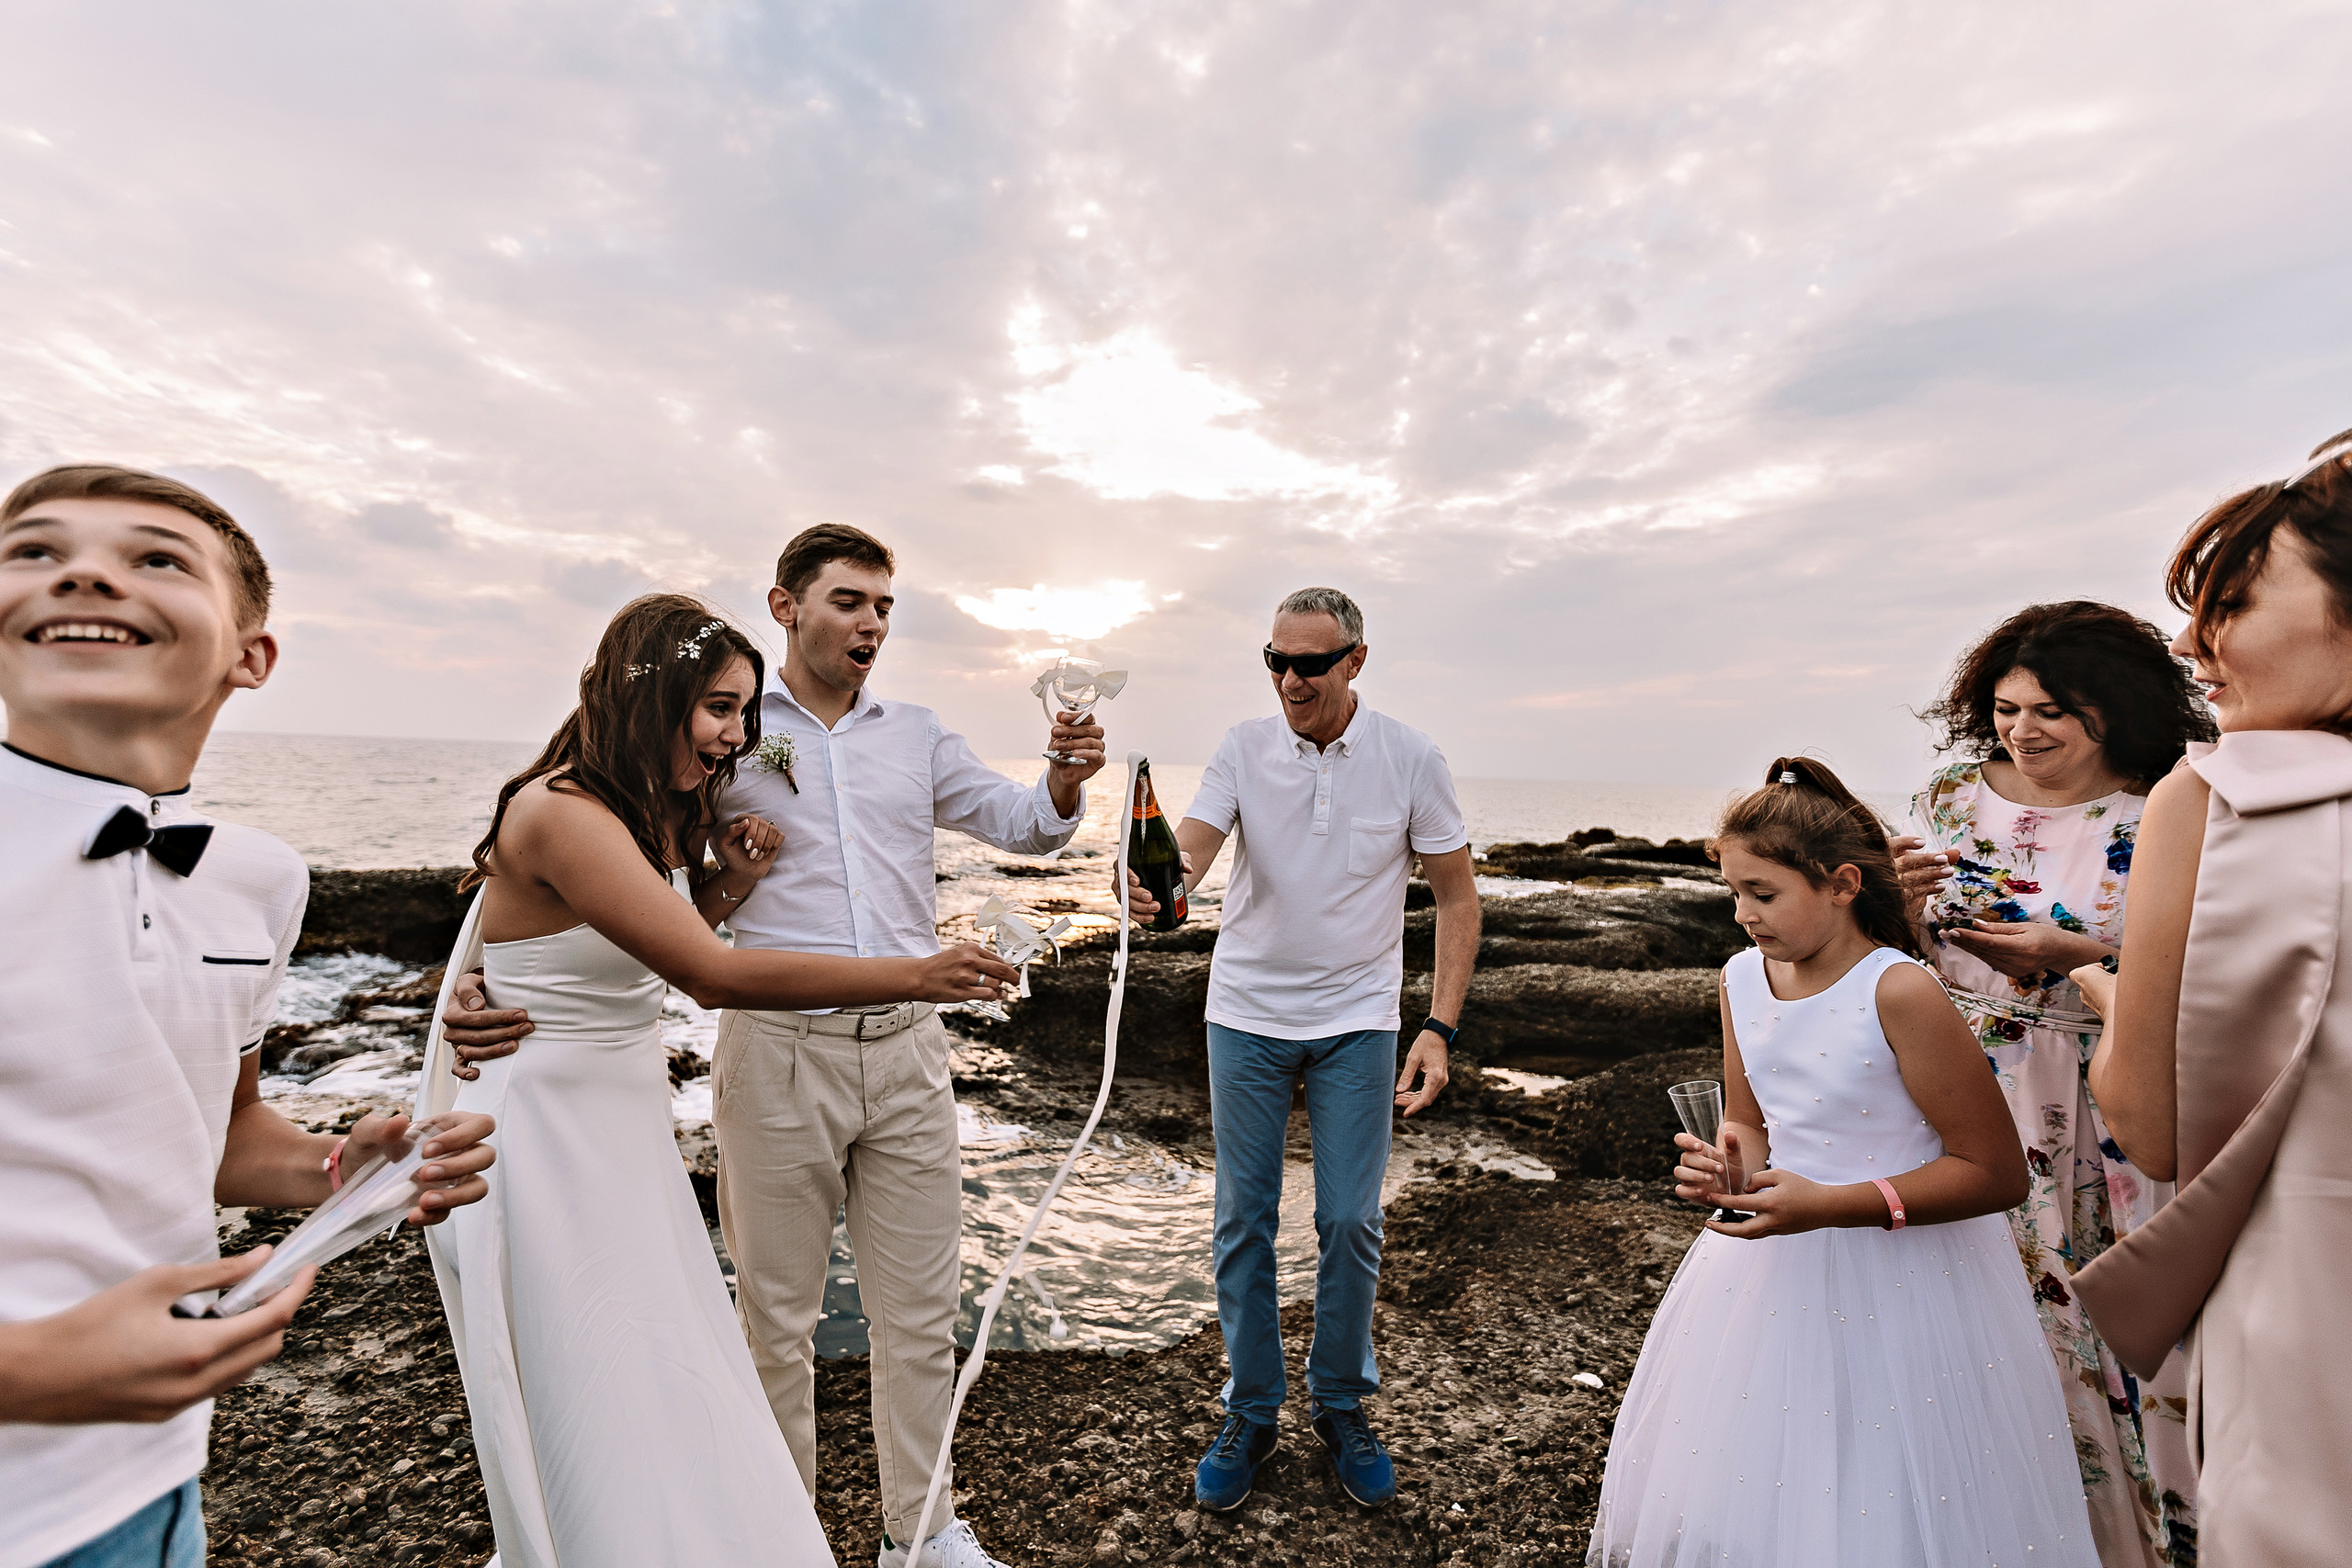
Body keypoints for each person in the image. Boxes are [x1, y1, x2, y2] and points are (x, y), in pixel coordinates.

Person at [438, 530, 1102, 1568]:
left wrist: (1062, 783)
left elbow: (1024, 825)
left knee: (921, 1315)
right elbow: (605, 893)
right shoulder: (722, 743)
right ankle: (778, 1536)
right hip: (774, 1055)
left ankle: (920, 1534)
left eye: (885, 604)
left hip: (909, 1057)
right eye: (849, 600)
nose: (872, 623)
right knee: (772, 1320)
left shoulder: (912, 733)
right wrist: (482, 981)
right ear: (787, 606)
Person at [0, 466, 495, 1568]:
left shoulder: (257, 880)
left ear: (249, 654)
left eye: (155, 559)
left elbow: (216, 1134)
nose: (82, 570)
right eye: (33, 551)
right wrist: (24, 1370)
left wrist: (339, 1171)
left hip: (150, 1482)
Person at [1589, 757, 2098, 1567]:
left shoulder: (1898, 990)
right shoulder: (1739, 979)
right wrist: (1729, 1169)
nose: (1742, 915)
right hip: (1769, 1283)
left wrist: (1829, 1203)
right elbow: (1752, 1122)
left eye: (1763, 893)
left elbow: (1995, 1171)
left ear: (1843, 883)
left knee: (1894, 1499)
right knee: (1776, 1494)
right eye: (1733, 893)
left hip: (1912, 1285)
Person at [1124, 586, 1480, 1515]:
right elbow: (1189, 857)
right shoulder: (1243, 747)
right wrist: (1158, 883)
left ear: (1354, 661)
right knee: (1242, 1220)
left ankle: (1340, 1405)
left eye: (1309, 664)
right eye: (1274, 661)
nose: (1289, 679)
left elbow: (1455, 896)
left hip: (1358, 1020)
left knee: (1349, 1223)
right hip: (1243, 1014)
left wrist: (1437, 1029)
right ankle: (1251, 1411)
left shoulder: (1410, 757)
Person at [2073, 428, 2352, 1566]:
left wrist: (2097, 987)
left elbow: (2150, 1122)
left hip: (2309, 1318)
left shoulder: (2224, 795)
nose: (2193, 643)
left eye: (2231, 598)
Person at [1893, 601, 2211, 1566]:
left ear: (2110, 713)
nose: (2020, 733)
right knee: (1978, 1321)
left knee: (2113, 1326)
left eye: (2049, 713)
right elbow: (1905, 956)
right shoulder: (1950, 795)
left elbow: (2202, 968)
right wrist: (1895, 903)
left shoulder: (2166, 805)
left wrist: (2076, 954)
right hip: (1960, 1085)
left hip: (2105, 1092)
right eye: (2003, 708)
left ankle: (2140, 1541)